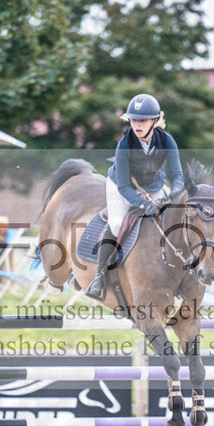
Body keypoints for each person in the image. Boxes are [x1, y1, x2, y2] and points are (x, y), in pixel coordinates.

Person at [85, 93, 184, 301]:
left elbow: (177, 175)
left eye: (143, 120)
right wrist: (143, 204)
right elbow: (123, 186)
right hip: (122, 186)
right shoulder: (124, 144)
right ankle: (99, 276)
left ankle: (185, 268)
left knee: (176, 215)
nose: (137, 124)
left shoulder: (167, 140)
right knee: (116, 223)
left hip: (154, 185)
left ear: (154, 121)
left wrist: (175, 193)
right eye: (134, 120)